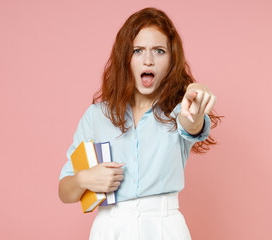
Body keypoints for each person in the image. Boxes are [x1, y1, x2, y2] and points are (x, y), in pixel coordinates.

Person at [58, 7, 222, 240]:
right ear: (125, 58)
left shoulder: (179, 110)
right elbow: (65, 190)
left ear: (172, 59)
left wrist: (195, 110)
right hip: (110, 227)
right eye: (138, 50)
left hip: (165, 228)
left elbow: (192, 124)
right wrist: (84, 179)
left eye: (159, 51)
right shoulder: (96, 116)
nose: (148, 60)